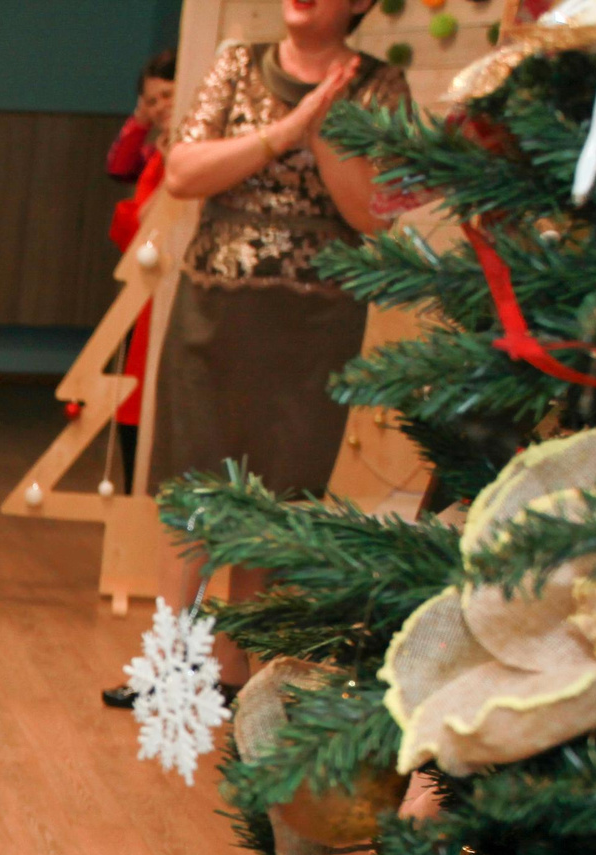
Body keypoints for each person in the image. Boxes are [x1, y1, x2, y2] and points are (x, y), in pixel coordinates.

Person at [122, 0, 405, 704]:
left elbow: (372, 210)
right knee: (189, 485)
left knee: (278, 491)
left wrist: (323, 131)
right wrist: (286, 132)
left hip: (314, 328)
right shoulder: (237, 62)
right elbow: (184, 171)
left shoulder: (378, 86)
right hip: (214, 312)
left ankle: (232, 666)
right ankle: (167, 663)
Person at [106, 52, 176, 498]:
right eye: (149, 100)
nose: (158, 107)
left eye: (167, 95)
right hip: (147, 289)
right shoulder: (159, 152)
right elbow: (117, 165)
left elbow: (141, 224)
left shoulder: (176, 156)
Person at [107, 48, 177, 183]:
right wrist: (140, 120)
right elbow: (120, 170)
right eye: (151, 102)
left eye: (167, 95)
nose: (160, 107)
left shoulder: (203, 143)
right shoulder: (156, 155)